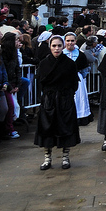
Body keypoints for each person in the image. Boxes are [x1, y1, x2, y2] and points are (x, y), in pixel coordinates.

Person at [34, 35, 80, 170]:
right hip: (49, 100)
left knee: (65, 127)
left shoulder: (70, 63)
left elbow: (74, 83)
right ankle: (47, 158)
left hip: (65, 99)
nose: (57, 48)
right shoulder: (44, 63)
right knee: (47, 128)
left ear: (63, 46)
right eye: (54, 46)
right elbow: (40, 81)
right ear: (50, 47)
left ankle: (65, 157)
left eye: (59, 45)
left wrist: (67, 95)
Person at [62, 32, 91, 126]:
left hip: (77, 78)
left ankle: (79, 117)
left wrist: (81, 77)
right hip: (63, 79)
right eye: (68, 41)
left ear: (75, 41)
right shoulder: (61, 53)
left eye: (72, 41)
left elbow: (84, 69)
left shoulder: (81, 54)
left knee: (79, 99)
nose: (70, 43)